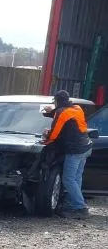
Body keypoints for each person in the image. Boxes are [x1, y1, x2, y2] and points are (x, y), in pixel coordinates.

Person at [42, 90, 93, 219]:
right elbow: (68, 117)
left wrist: (45, 139)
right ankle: (72, 205)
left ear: (57, 101)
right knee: (76, 178)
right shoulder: (77, 108)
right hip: (86, 147)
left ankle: (81, 208)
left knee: (68, 179)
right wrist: (52, 112)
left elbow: (54, 133)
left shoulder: (62, 113)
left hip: (75, 150)